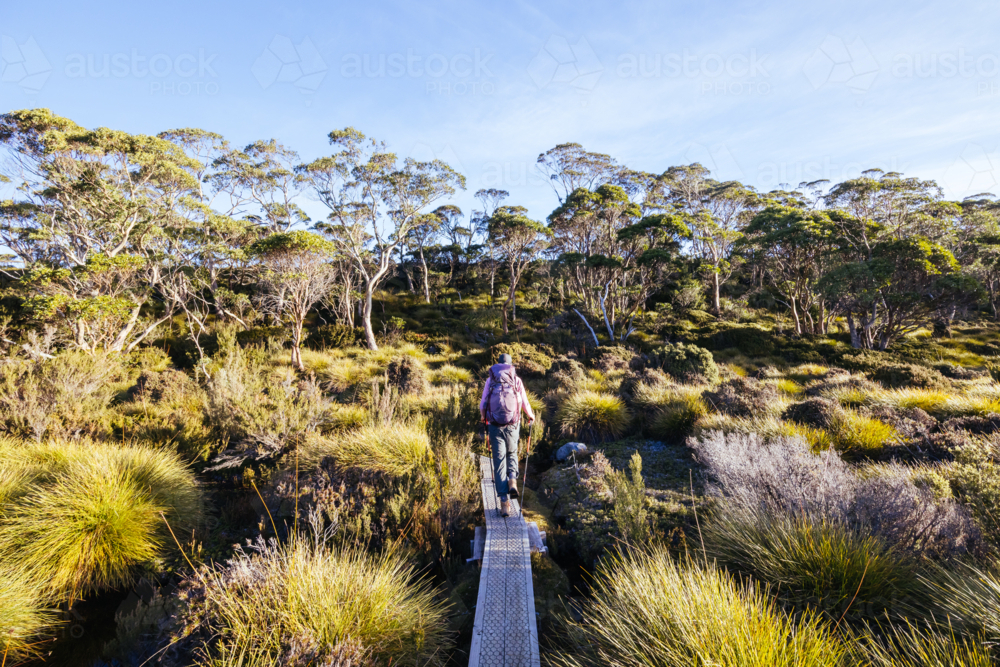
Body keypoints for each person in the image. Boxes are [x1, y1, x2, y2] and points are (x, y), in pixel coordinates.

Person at [480, 353, 535, 517]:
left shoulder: (490, 381)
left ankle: (504, 502)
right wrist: (530, 416)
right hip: (513, 424)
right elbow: (524, 401)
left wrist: (484, 418)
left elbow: (483, 403)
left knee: (498, 461)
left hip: (494, 425)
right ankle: (512, 479)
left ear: (498, 365)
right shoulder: (516, 380)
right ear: (511, 366)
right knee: (512, 452)